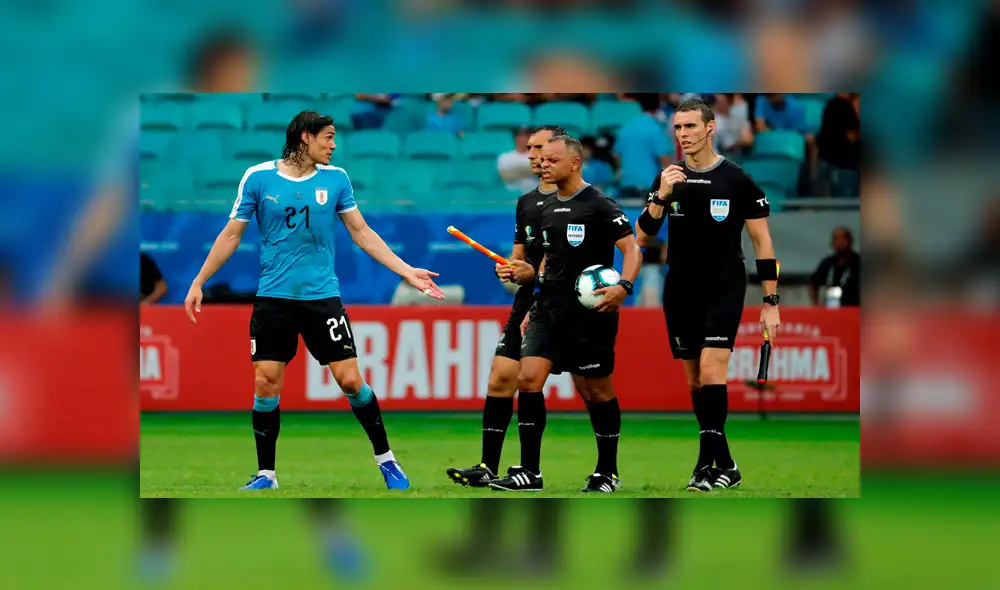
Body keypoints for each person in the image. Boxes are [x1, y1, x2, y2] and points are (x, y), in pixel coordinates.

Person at [182, 110, 445, 491]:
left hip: (322, 298)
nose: (334, 145)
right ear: (306, 137)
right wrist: (199, 281)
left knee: (351, 381)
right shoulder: (258, 178)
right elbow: (230, 235)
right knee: (266, 382)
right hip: (273, 299)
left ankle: (387, 462)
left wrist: (405, 270)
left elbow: (361, 232)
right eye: (329, 137)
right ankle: (266, 476)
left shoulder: (336, 180)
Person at [635, 98, 780, 493]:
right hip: (679, 287)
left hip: (724, 285)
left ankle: (703, 466)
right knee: (696, 383)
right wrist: (662, 194)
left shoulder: (737, 179)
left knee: (713, 372)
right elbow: (643, 236)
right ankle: (727, 464)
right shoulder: (667, 177)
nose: (683, 135)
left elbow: (762, 243)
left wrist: (770, 302)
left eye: (690, 127)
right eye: (678, 128)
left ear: (710, 128)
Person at [490, 135, 641, 493]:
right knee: (528, 379)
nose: (543, 164)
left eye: (552, 159)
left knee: (596, 392)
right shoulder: (543, 208)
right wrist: (527, 283)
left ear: (575, 163)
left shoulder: (600, 204)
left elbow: (632, 250)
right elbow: (545, 262)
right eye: (542, 159)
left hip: (591, 314)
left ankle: (607, 471)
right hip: (548, 308)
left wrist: (624, 287)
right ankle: (530, 471)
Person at [446, 125, 566, 488]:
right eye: (529, 148)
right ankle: (488, 466)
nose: (532, 156)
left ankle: (597, 469)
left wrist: (536, 274)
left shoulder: (578, 202)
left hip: (561, 303)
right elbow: (520, 255)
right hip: (527, 298)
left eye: (539, 148)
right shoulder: (526, 201)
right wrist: (510, 269)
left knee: (593, 388)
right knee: (501, 378)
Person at [614, 93, 672, 201]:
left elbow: (616, 155)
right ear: (658, 105)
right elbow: (665, 160)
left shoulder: (626, 127)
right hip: (649, 188)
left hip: (626, 186)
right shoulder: (656, 128)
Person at [809, 227, 860, 307]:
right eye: (835, 240)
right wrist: (816, 304)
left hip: (854, 310)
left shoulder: (859, 262)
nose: (838, 243)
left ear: (850, 241)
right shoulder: (828, 262)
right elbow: (814, 283)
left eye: (842, 240)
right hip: (832, 309)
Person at [497, 127, 538, 193]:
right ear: (516, 138)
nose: (526, 138)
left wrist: (515, 170)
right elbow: (505, 176)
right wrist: (529, 170)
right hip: (511, 196)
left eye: (528, 135)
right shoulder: (505, 157)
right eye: (522, 135)